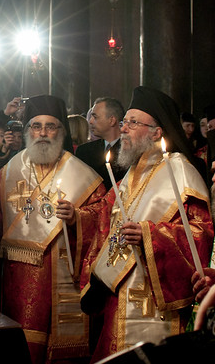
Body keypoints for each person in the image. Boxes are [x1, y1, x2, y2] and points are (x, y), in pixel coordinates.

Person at [80, 86, 214, 363]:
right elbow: (104, 219)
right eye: (125, 121)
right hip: (118, 297)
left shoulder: (181, 174)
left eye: (132, 123)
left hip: (158, 301)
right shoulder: (130, 174)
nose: (124, 129)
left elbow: (202, 233)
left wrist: (151, 236)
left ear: (157, 132)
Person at [0, 95, 105, 363]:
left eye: (50, 126)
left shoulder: (82, 174)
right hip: (14, 279)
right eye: (36, 126)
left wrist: (78, 217)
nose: (43, 133)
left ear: (61, 131)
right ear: (28, 129)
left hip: (60, 277)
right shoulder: (7, 173)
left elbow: (103, 217)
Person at [76, 97, 127, 191]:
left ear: (112, 120)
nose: (90, 121)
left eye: (95, 117)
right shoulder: (84, 151)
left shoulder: (129, 152)